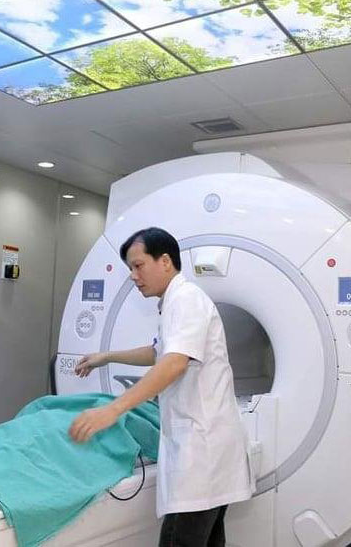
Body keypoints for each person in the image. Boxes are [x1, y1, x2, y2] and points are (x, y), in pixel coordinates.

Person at [68, 227, 251, 547]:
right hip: (205, 450)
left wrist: (112, 410)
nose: (133, 276)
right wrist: (106, 356)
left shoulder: (186, 300)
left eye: (138, 266)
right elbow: (159, 352)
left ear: (165, 261)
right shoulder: (175, 302)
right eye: (130, 269)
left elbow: (174, 363)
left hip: (202, 452)